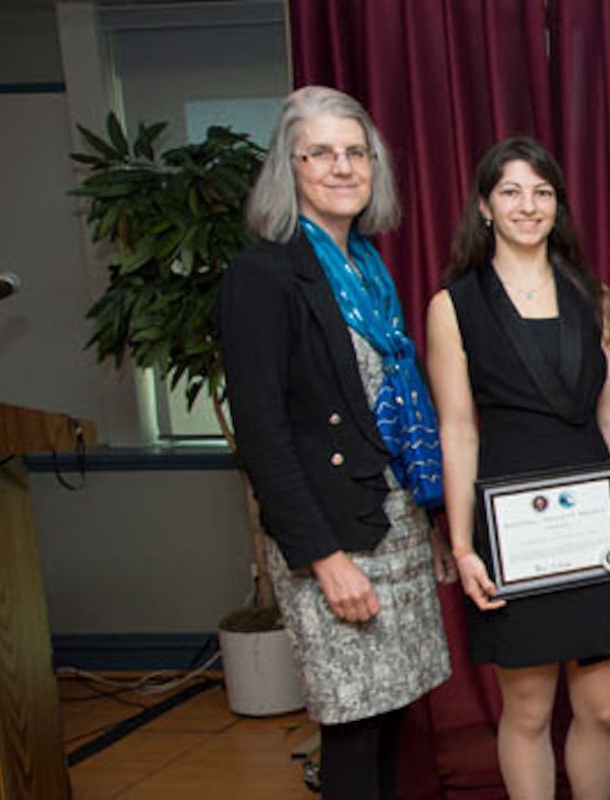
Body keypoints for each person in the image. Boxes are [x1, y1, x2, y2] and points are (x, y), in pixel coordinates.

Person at [217, 85, 451, 800]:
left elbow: (388, 410)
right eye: (319, 153)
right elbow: (263, 437)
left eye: (355, 152)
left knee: (389, 719)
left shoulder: (367, 271)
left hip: (393, 525)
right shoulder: (261, 276)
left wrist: (430, 520)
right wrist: (323, 559)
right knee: (352, 728)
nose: (342, 167)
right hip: (333, 540)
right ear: (288, 169)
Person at [424, 137, 610, 800]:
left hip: (597, 521)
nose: (529, 206)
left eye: (542, 192)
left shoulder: (595, 297)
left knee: (604, 706)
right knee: (527, 710)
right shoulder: (454, 306)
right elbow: (459, 428)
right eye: (512, 192)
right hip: (511, 527)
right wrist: (463, 544)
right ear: (485, 207)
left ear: (559, 204)